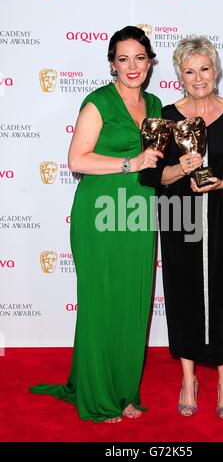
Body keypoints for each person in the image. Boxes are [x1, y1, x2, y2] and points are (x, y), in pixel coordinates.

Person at [30, 25, 163, 423]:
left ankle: (124, 392)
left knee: (133, 305)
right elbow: (77, 160)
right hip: (100, 213)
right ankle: (98, 397)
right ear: (112, 64)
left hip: (139, 212)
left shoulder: (155, 104)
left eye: (140, 57)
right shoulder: (98, 102)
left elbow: (157, 164)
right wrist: (129, 163)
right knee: (102, 305)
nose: (132, 66)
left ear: (150, 61)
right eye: (123, 59)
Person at [141, 36, 223, 419]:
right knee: (182, 295)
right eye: (189, 71)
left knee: (222, 298)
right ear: (179, 74)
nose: (198, 78)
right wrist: (181, 170)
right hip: (180, 220)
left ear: (216, 70)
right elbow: (151, 174)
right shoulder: (168, 116)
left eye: (204, 69)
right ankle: (188, 378)